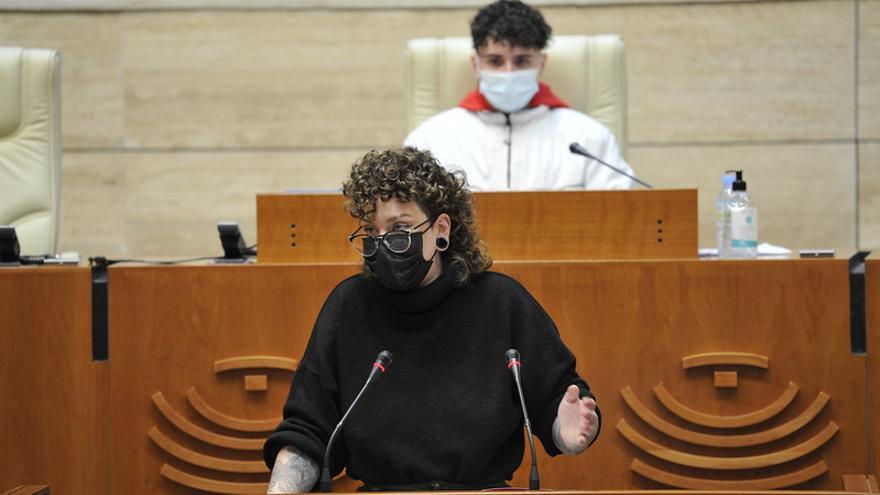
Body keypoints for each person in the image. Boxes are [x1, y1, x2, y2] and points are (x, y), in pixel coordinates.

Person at [263, 147, 601, 493]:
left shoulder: (501, 302)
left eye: (399, 228)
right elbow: (309, 432)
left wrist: (567, 432)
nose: (382, 243)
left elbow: (556, 402)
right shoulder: (349, 306)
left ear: (441, 228)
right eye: (370, 231)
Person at [404, 0, 634, 191]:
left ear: (541, 63)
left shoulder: (588, 138)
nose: (509, 72)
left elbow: (621, 214)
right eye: (495, 61)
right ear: (475, 64)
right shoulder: (430, 140)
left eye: (522, 61)